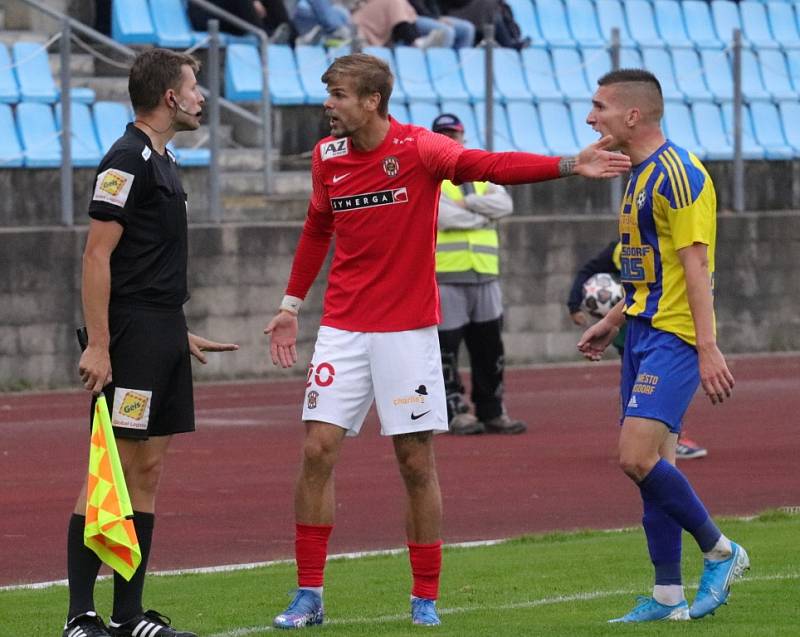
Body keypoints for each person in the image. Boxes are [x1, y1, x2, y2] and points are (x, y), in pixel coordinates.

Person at [263, 52, 630, 629]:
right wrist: (290, 306)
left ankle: (425, 597)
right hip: (342, 328)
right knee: (316, 451)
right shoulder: (326, 156)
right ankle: (308, 594)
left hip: (408, 332)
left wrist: (566, 164)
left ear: (371, 101)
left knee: (414, 461)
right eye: (327, 93)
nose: (326, 104)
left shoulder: (419, 149)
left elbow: (490, 163)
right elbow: (317, 228)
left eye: (336, 94)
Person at [65, 49, 239, 637]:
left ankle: (130, 616)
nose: (202, 97)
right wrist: (103, 345)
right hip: (133, 337)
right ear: (170, 96)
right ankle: (80, 617)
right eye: (194, 87)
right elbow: (97, 256)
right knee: (109, 468)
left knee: (148, 470)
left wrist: (174, 331)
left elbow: (144, 262)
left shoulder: (166, 161)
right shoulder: (125, 158)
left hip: (161, 332)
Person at [578, 69, 749, 623]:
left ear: (632, 115)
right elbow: (652, 271)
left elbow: (696, 267)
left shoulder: (679, 175)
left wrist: (707, 347)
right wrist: (613, 319)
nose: (590, 117)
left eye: (599, 106)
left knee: (636, 456)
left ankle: (722, 551)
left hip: (674, 338)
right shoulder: (638, 174)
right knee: (654, 467)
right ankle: (668, 596)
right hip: (642, 332)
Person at [567, 240, 708, 459]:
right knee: (635, 387)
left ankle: (672, 438)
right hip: (629, 328)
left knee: (662, 386)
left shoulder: (666, 246)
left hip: (661, 328)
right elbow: (588, 270)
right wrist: (574, 305)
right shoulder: (620, 248)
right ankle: (640, 436)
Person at [431, 113, 526, 436]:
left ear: (462, 138)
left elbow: (505, 206)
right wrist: (482, 215)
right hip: (446, 276)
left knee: (490, 348)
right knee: (446, 349)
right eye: (443, 135)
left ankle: (492, 409)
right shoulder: (430, 176)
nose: (449, 140)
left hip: (485, 276)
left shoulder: (484, 174)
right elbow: (442, 218)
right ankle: (453, 409)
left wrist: (467, 207)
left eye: (453, 134)